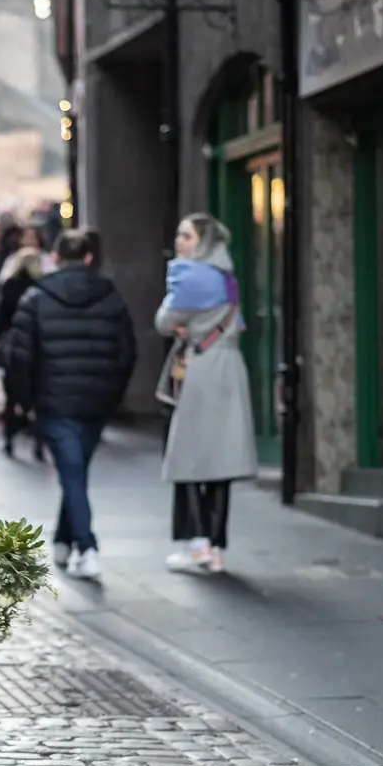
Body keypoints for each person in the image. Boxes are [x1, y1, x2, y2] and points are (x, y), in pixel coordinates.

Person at [3, 227, 137, 580]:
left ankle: (85, 545)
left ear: (56, 257)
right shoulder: (110, 296)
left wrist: (25, 400)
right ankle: (64, 540)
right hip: (97, 400)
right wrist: (114, 393)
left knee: (72, 471)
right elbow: (127, 350)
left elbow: (19, 355)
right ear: (89, 257)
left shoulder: (36, 298)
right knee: (74, 470)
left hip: (54, 400)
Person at [158, 214, 257, 575]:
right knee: (221, 463)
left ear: (202, 242)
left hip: (200, 368)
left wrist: (184, 325)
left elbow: (164, 320)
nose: (179, 241)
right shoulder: (227, 278)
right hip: (230, 367)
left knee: (187, 457)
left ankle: (195, 544)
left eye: (186, 235)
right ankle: (216, 548)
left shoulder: (189, 275)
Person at [0, 225, 47, 459]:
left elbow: (1, 317)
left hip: (14, 347)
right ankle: (38, 443)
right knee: (37, 395)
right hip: (38, 348)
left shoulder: (9, 285)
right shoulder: (43, 289)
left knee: (12, 395)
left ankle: (8, 438)